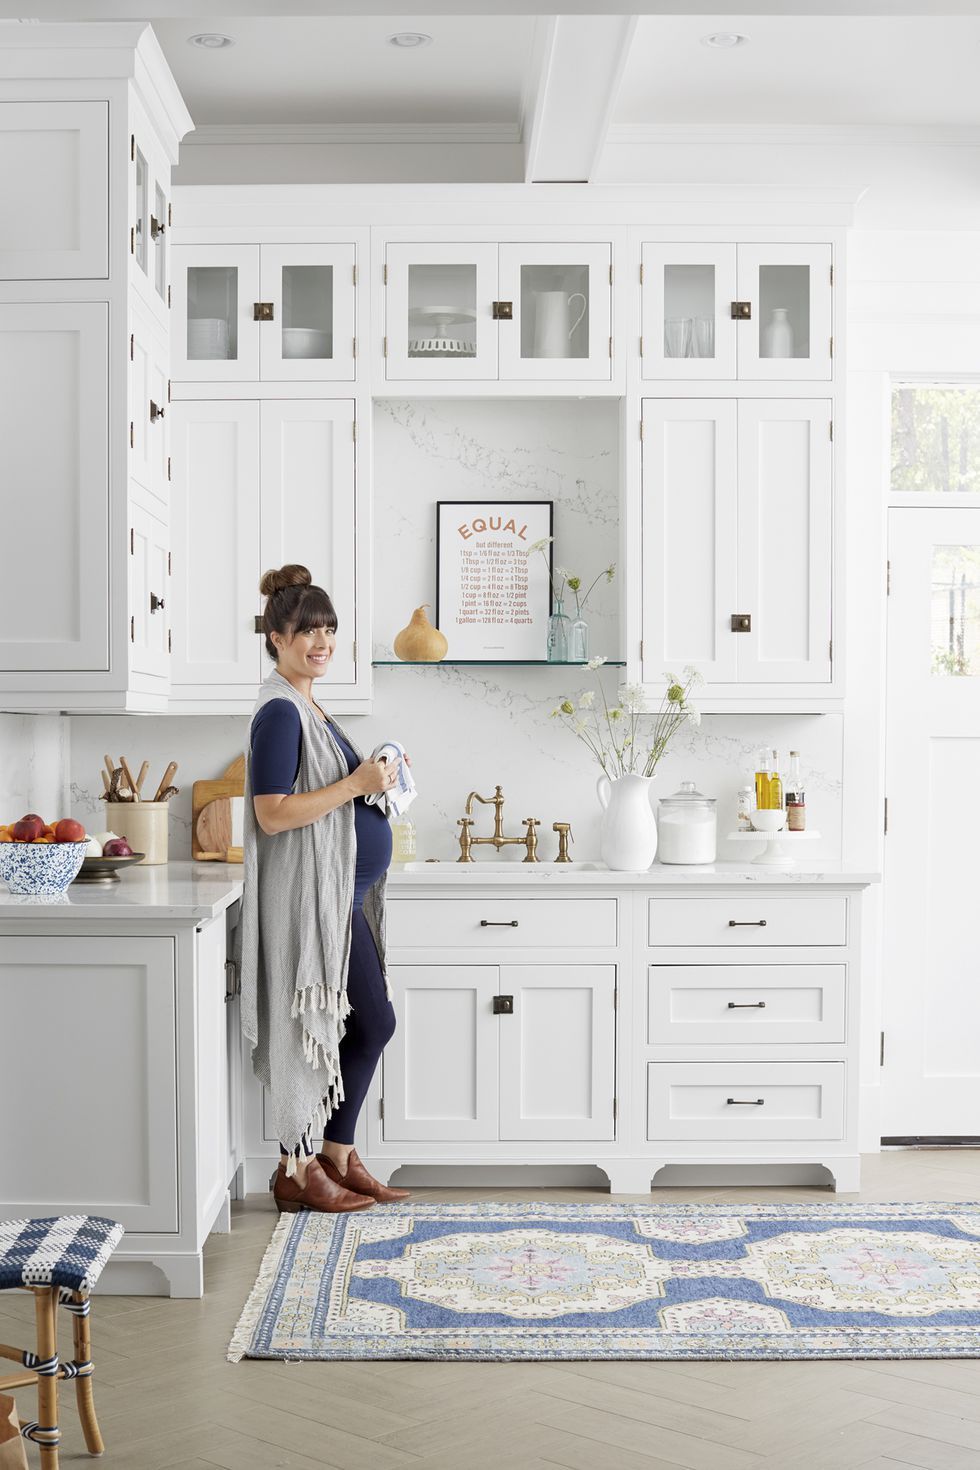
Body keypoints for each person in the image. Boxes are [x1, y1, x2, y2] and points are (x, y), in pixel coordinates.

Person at [238, 563, 411, 1213]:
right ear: (276, 637)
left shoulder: (305, 700)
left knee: (368, 1026)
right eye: (307, 630)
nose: (322, 642)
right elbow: (272, 812)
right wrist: (356, 786)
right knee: (347, 1029)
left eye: (330, 629)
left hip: (340, 896)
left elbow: (333, 794)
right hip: (316, 903)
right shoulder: (281, 709)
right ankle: (296, 1167)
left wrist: (376, 783)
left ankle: (334, 1154)